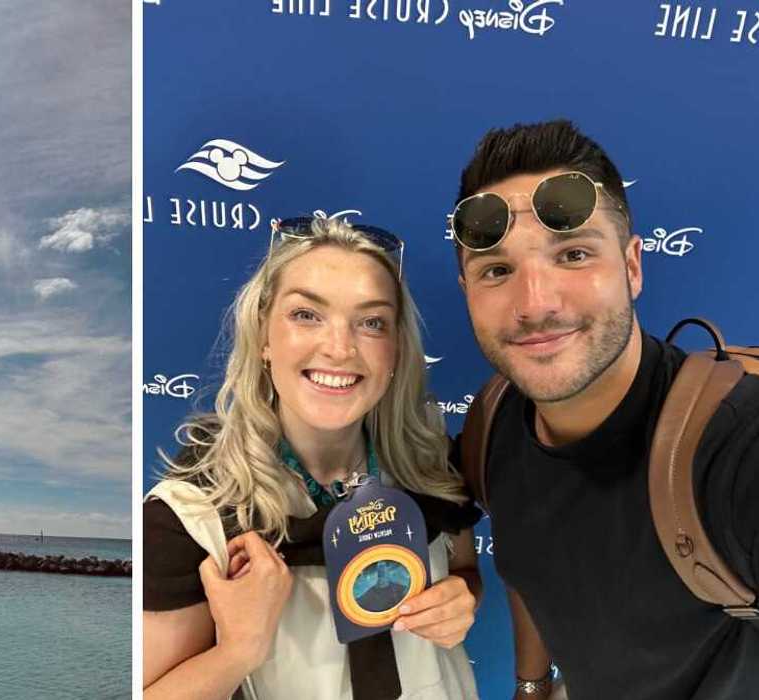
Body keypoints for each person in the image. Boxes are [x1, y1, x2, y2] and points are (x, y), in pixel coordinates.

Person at [447, 119, 759, 699]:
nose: (535, 303)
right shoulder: (492, 428)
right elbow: (527, 570)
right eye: (497, 270)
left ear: (633, 267)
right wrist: (534, 685)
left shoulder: (737, 448)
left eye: (572, 254)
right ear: (467, 290)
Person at [143, 216, 483, 699]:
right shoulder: (191, 513)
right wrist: (238, 649)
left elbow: (467, 573)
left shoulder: (431, 466)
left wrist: (461, 599)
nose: (339, 348)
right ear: (262, 335)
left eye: (371, 322)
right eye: (307, 314)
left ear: (396, 349)